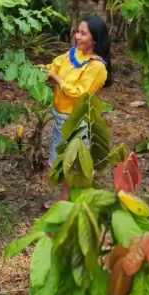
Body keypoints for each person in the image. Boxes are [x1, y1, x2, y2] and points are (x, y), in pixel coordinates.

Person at [42, 15, 112, 207]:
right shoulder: (72, 54)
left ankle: (80, 203)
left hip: (77, 120)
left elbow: (80, 93)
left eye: (83, 33)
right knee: (64, 162)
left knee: (76, 163)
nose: (77, 37)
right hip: (61, 117)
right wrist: (36, 71)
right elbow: (53, 66)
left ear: (95, 39)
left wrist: (55, 78)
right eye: (77, 32)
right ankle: (66, 198)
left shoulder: (97, 67)